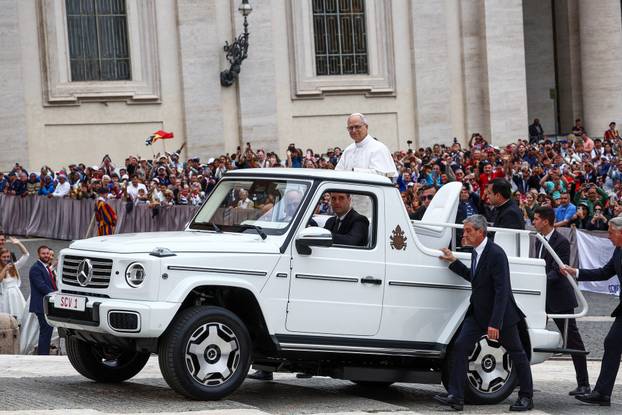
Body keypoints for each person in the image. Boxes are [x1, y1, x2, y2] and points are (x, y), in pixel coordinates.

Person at [436, 215, 533, 411]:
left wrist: (495, 323)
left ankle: (526, 397)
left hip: (501, 316)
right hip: (478, 313)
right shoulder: (475, 252)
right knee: (460, 347)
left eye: (469, 231)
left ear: (481, 232)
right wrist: (453, 262)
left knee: (517, 354)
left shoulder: (496, 254)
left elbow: (502, 291)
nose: (465, 235)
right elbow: (476, 279)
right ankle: (456, 396)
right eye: (465, 231)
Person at [561, 216, 622, 406]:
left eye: (611, 233)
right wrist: (576, 272)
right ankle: (602, 393)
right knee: (612, 343)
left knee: (612, 343)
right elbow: (604, 273)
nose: (609, 236)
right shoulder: (618, 251)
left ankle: (602, 393)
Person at [532, 207, 590, 396]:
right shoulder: (538, 240)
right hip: (541, 297)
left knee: (572, 339)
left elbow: (559, 270)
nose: (533, 222)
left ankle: (584, 383)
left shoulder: (561, 242)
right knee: (526, 335)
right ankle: (521, 379)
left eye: (536, 219)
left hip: (559, 299)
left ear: (546, 221)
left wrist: (540, 280)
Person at [335, 113, 398, 177]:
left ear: (366, 127)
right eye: (350, 128)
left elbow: (386, 175)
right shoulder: (348, 150)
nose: (354, 130)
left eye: (357, 127)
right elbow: (338, 173)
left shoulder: (379, 148)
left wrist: (354, 172)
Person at [28, 246, 55, 355]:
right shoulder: (35, 268)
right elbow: (41, 286)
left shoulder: (46, 267)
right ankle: (43, 354)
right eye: (44, 253)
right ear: (38, 254)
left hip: (46, 304)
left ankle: (44, 353)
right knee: (45, 331)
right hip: (41, 305)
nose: (46, 255)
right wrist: (55, 294)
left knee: (48, 330)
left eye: (48, 253)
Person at [0, 248, 26, 321]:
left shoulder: (14, 266)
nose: (6, 259)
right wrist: (5, 269)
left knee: (19, 316)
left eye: (8, 257)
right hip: (5, 296)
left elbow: (26, 255)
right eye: (4, 257)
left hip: (16, 294)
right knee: (7, 318)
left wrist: (18, 244)